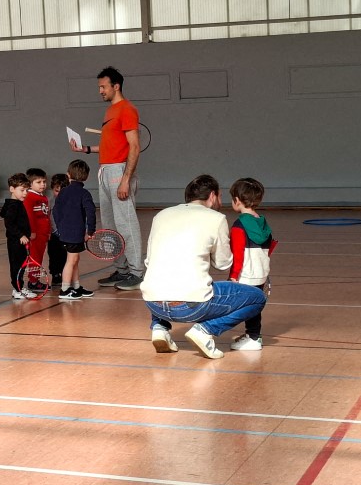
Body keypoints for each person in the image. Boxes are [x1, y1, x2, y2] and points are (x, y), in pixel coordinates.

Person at [141, 174, 268, 360]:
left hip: (153, 303)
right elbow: (223, 263)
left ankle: (159, 328)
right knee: (257, 298)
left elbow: (149, 261)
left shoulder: (161, 215)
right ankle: (205, 330)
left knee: (162, 273)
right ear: (212, 196)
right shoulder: (216, 218)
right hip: (192, 305)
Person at [69, 67, 144, 290]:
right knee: (110, 225)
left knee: (126, 224)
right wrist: (84, 149)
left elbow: (135, 146)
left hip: (119, 172)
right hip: (105, 169)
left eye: (103, 87)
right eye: (100, 87)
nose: (100, 90)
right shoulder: (109, 112)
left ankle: (137, 272)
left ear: (116, 86)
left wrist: (125, 179)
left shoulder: (127, 110)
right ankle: (121, 270)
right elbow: (107, 146)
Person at [227, 177, 275, 352]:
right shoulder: (262, 223)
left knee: (245, 307)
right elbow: (269, 247)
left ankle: (253, 338)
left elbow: (237, 254)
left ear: (237, 200)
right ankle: (252, 335)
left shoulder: (239, 225)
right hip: (261, 272)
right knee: (254, 306)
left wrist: (233, 275)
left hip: (245, 274)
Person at [53, 160, 96, 299]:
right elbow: (91, 213)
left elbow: (55, 211)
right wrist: (91, 231)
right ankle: (65, 289)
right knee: (71, 260)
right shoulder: (84, 193)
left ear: (68, 175)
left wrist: (60, 227)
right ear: (86, 177)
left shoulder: (63, 192)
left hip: (69, 232)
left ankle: (76, 286)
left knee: (75, 259)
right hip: (74, 233)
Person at [1, 173, 32, 299]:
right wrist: (20, 235)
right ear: (12, 189)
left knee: (22, 265)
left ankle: (20, 287)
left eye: (26, 190)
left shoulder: (15, 203)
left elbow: (3, 214)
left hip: (22, 241)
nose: (25, 193)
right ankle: (17, 289)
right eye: (22, 190)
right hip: (15, 242)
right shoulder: (13, 205)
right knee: (16, 266)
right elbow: (8, 222)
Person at [23, 167, 51, 293]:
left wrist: (48, 231)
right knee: (34, 258)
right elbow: (29, 216)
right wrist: (32, 231)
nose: (43, 185)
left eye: (44, 182)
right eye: (38, 182)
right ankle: (33, 281)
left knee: (39, 258)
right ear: (30, 184)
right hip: (35, 235)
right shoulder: (29, 197)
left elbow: (46, 216)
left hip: (43, 234)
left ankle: (36, 280)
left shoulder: (43, 197)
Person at [48, 173, 69, 286]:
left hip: (66, 234)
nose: (59, 194)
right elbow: (49, 217)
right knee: (54, 255)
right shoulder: (50, 201)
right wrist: (54, 231)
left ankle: (65, 273)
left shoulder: (69, 202)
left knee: (65, 255)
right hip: (54, 234)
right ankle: (55, 274)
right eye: (56, 191)